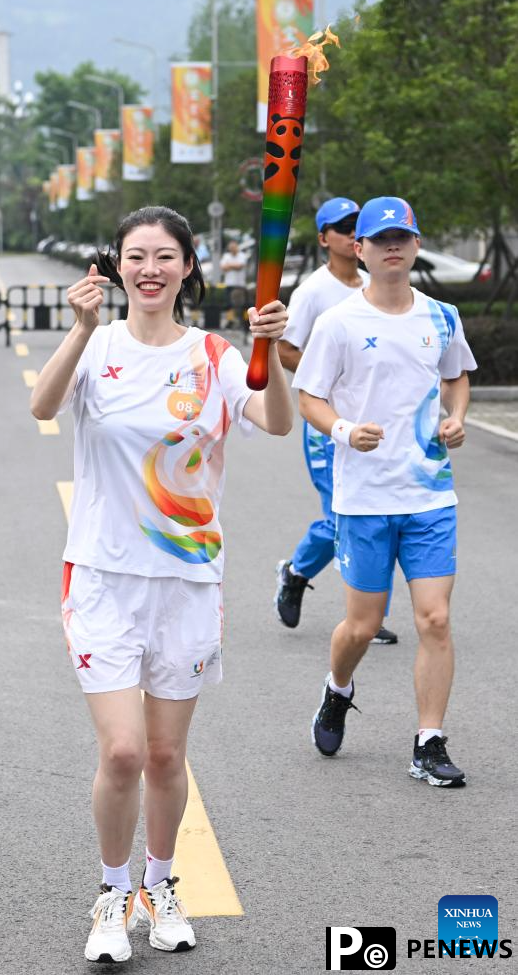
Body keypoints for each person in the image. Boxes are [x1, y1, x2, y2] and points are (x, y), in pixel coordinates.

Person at [30, 205, 292, 963]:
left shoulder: (213, 354)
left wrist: (266, 350)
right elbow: (42, 405)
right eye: (134, 255)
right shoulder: (96, 344)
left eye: (164, 256)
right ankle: (111, 895)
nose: (149, 268)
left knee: (166, 757)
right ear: (114, 266)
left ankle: (161, 883)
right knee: (121, 753)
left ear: (186, 267)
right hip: (104, 578)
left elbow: (273, 421)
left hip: (185, 582)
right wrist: (78, 330)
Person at [293, 196, 477, 787]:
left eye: (403, 236)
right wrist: (344, 431)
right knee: (363, 626)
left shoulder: (442, 316)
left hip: (429, 496)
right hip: (365, 499)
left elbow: (456, 376)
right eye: (380, 238)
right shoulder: (339, 322)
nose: (392, 246)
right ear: (360, 248)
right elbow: (309, 396)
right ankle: (337, 687)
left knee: (436, 619)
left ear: (416, 245)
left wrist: (457, 417)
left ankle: (429, 741)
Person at [275, 197, 397, 645]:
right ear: (324, 238)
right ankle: (296, 571)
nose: (350, 234)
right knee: (341, 518)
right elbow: (286, 349)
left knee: (378, 516)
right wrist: (327, 378)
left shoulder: (374, 284)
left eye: (356, 226)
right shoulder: (313, 291)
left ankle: (369, 616)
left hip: (375, 427)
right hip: (327, 425)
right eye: (341, 228)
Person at [220, 239, 247, 330]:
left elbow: (240, 266)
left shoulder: (242, 255)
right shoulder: (226, 256)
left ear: (237, 247)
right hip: (229, 284)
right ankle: (230, 321)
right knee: (229, 304)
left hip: (239, 285)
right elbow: (223, 267)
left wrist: (229, 265)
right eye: (230, 247)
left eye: (234, 247)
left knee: (241, 305)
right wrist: (234, 265)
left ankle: (242, 322)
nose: (232, 249)